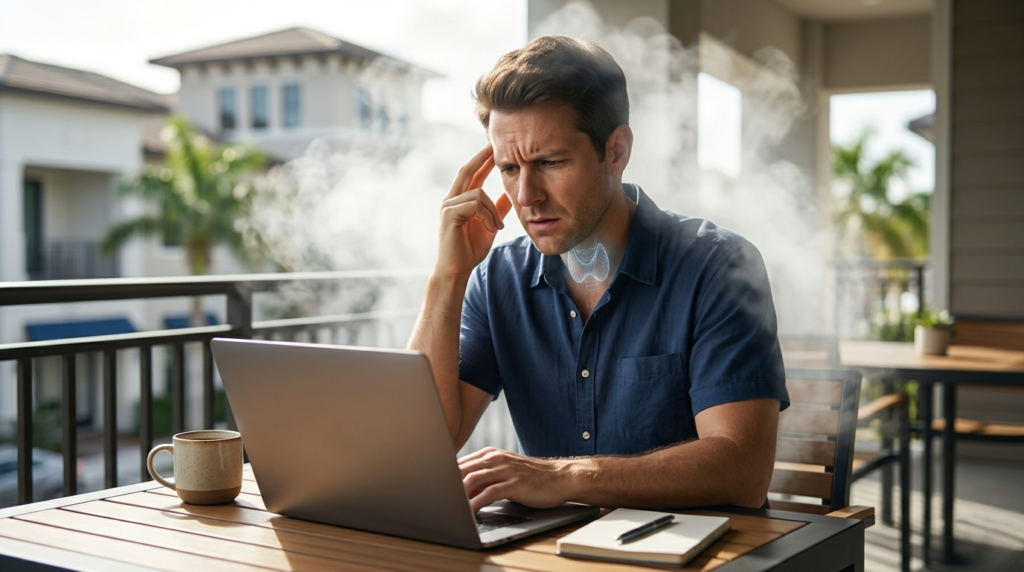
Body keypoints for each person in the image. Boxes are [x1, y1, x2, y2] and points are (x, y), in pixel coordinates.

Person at [408, 35, 788, 513]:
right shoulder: (497, 280)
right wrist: (447, 279)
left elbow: (742, 471)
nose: (526, 195)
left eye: (549, 162)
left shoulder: (718, 266)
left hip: (697, 555)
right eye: (508, 167)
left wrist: (564, 476)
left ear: (616, 150)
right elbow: (420, 446)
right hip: (551, 555)